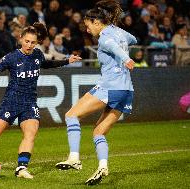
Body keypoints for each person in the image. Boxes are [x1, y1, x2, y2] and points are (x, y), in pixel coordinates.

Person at [0, 22, 81, 179]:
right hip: (11, 101)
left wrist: (67, 61)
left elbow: (46, 64)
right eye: (27, 41)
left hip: (29, 103)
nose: (29, 45)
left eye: (33, 42)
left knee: (30, 133)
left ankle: (21, 168)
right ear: (20, 39)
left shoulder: (37, 54)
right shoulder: (11, 58)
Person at [55, 0, 137, 185]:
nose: (87, 30)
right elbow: (133, 40)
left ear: (97, 22)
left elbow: (112, 46)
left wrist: (126, 59)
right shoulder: (118, 32)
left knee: (71, 115)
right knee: (99, 132)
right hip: (127, 90)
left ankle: (74, 158)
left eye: (88, 25)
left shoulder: (104, 36)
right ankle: (102, 166)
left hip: (110, 86)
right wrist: (120, 37)